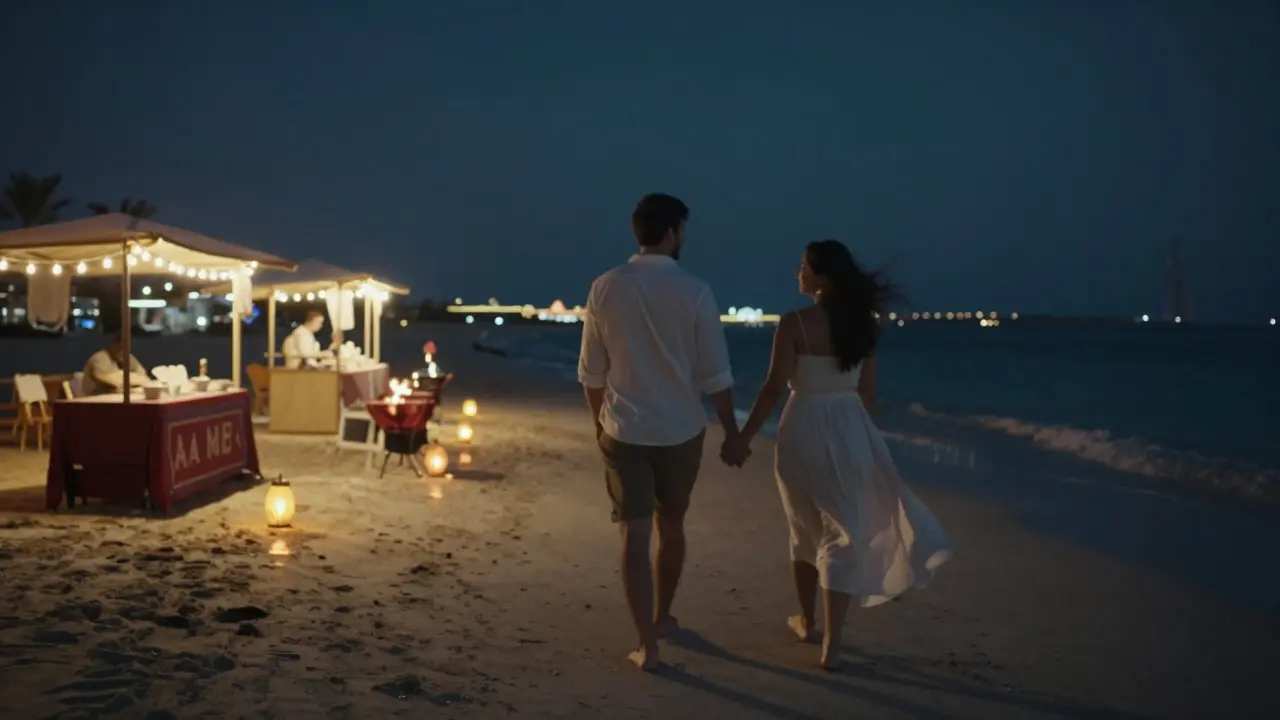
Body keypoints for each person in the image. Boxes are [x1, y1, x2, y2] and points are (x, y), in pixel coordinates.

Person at [722, 239, 952, 670]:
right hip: (848, 427)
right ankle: (833, 642)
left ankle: (807, 622)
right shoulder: (862, 327)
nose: (797, 272)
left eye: (804, 266)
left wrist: (743, 437)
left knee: (803, 526)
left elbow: (774, 386)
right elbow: (868, 395)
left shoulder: (794, 323)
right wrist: (865, 442)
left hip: (802, 425)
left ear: (822, 277)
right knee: (841, 530)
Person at [578, 192, 744, 671]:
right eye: (683, 230)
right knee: (671, 527)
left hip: (624, 430)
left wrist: (599, 426)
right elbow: (716, 375)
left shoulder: (605, 287)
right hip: (680, 430)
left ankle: (646, 644)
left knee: (634, 535)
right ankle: (663, 615)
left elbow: (592, 373)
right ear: (672, 232)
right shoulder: (695, 290)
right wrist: (732, 434)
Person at [82, 333, 147, 396]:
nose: (122, 350)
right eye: (120, 346)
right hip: (95, 399)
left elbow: (143, 376)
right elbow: (106, 380)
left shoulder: (127, 356)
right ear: (112, 344)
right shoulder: (100, 358)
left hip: (119, 397)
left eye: (125, 347)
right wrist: (131, 380)